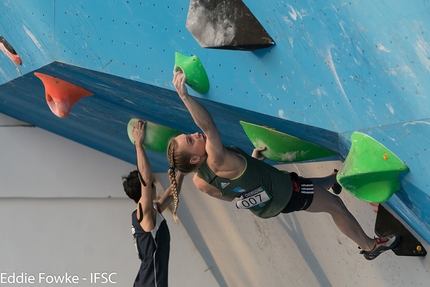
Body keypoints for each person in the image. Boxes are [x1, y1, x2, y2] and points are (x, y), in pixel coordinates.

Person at [166, 71, 399, 261]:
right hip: (286, 193)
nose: (194, 134)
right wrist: (184, 96)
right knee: (335, 206)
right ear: (195, 158)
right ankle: (371, 247)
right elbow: (208, 126)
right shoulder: (215, 158)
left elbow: (233, 195)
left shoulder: (200, 182)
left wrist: (250, 163)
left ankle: (333, 180)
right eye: (190, 140)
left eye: (188, 134)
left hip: (271, 203)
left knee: (308, 184)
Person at [123, 120, 184, 286]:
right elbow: (147, 178)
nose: (154, 186)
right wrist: (138, 143)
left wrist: (182, 171)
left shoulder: (147, 215)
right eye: (151, 186)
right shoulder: (144, 215)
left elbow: (171, 194)